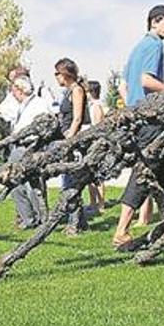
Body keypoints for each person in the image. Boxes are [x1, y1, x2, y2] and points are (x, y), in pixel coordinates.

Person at [113, 5, 164, 248]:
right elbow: (147, 81)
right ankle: (121, 231)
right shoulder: (154, 45)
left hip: (140, 118)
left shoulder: (137, 47)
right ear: (154, 22)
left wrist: (131, 108)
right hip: (151, 120)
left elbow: (123, 85)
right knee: (145, 171)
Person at [0, 75, 52, 229]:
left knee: (33, 185)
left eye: (13, 90)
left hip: (30, 147)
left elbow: (46, 127)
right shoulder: (21, 105)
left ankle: (42, 219)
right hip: (17, 147)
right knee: (14, 183)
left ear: (20, 90)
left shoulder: (38, 104)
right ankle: (28, 219)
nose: (12, 94)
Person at [53, 58, 91, 235]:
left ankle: (73, 224)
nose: (56, 77)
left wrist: (70, 138)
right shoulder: (67, 92)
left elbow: (77, 118)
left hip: (73, 141)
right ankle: (81, 222)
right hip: (67, 139)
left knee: (70, 184)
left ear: (65, 73)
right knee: (68, 181)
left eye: (57, 73)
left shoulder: (76, 90)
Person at [85, 80, 106, 211]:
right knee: (89, 176)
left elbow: (98, 127)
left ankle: (101, 203)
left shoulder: (97, 106)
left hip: (96, 144)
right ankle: (93, 203)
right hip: (90, 144)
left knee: (98, 176)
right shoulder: (91, 105)